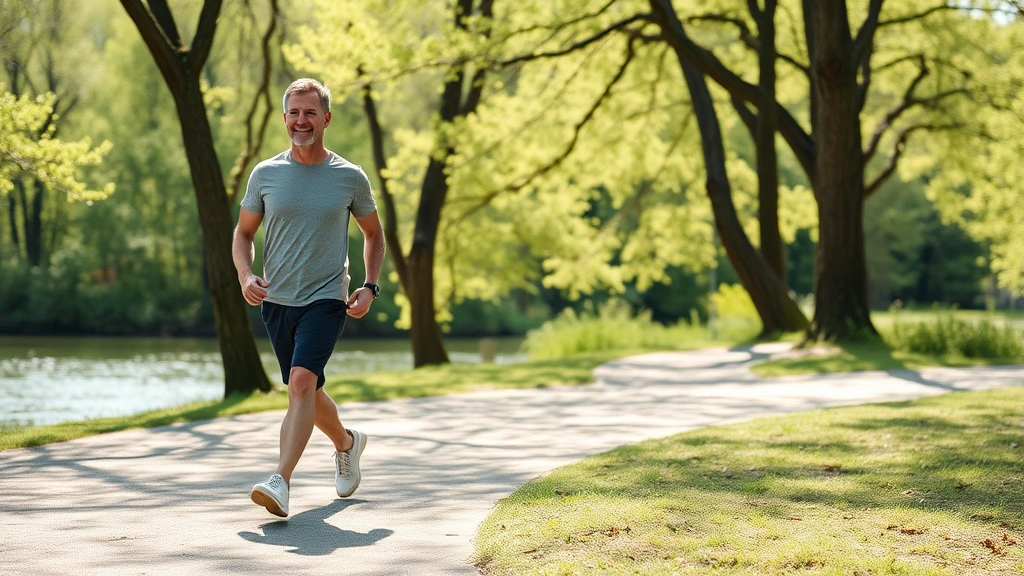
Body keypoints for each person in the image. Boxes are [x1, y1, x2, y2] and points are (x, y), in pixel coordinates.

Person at [232, 78, 385, 518]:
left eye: (310, 113)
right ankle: (347, 442)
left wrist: (370, 286)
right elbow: (243, 234)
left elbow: (373, 235)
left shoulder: (348, 177)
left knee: (300, 382)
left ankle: (280, 480)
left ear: (326, 119)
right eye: (295, 113)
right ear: (285, 119)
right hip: (277, 300)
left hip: (326, 297)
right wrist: (245, 275)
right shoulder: (265, 174)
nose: (302, 121)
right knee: (308, 389)